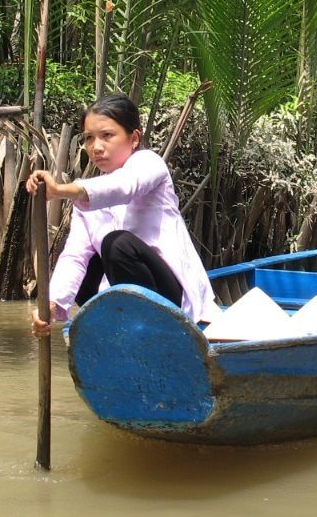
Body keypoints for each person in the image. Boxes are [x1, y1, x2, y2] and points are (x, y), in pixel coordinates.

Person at [25, 93, 213, 336]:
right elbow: (75, 256)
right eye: (89, 138)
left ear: (133, 138)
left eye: (107, 136)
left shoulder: (149, 163)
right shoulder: (87, 201)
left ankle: (150, 330)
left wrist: (62, 190)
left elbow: (125, 186)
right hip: (124, 297)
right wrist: (50, 306)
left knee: (117, 244)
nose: (96, 147)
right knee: (85, 260)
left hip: (170, 297)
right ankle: (119, 326)